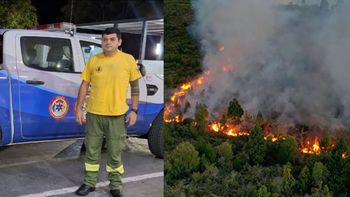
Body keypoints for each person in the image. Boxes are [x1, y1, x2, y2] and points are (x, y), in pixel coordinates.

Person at [74, 27, 141, 197]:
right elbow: (84, 85)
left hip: (117, 116)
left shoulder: (128, 60)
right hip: (94, 114)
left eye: (112, 39)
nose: (108, 42)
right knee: (91, 151)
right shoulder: (94, 60)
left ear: (119, 41)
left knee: (115, 153)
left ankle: (115, 186)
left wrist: (134, 110)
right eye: (105, 39)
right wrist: (79, 109)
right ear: (101, 41)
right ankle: (89, 183)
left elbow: (135, 87)